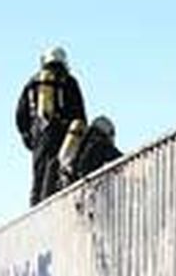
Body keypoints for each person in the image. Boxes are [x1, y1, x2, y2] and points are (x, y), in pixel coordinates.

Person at [15, 46, 87, 206]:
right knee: (61, 171)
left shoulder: (32, 83)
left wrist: (28, 137)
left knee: (38, 175)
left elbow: (20, 115)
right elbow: (80, 114)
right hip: (63, 133)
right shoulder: (69, 81)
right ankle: (57, 207)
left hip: (39, 135)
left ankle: (35, 211)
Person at [63, 115, 122, 186]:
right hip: (89, 184)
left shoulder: (84, 142)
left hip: (79, 184)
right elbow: (118, 158)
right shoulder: (101, 143)